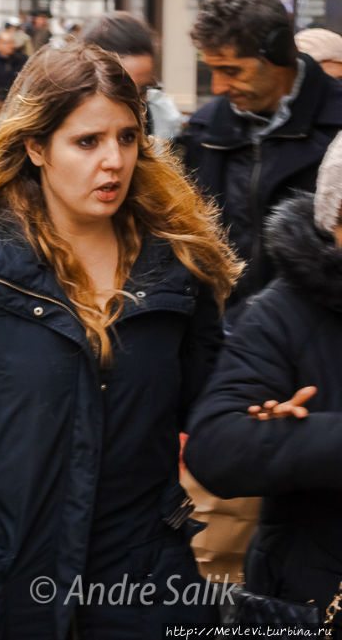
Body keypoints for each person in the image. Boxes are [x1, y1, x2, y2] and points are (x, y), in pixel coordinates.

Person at [0, 44, 242, 637]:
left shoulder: (175, 268)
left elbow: (206, 407)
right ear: (36, 147)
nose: (113, 161)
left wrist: (267, 403)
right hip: (5, 588)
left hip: (142, 587)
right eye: (87, 142)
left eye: (127, 138)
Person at [184, 133, 342, 622]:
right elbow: (218, 446)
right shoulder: (283, 312)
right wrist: (310, 436)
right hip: (313, 596)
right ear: (333, 221)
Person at [180, 0, 342, 319]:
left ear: (280, 53)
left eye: (231, 70)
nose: (218, 87)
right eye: (212, 70)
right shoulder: (202, 132)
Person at [81, 12, 184, 141]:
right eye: (123, 91)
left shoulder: (162, 119)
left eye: (143, 90)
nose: (136, 104)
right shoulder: (67, 122)